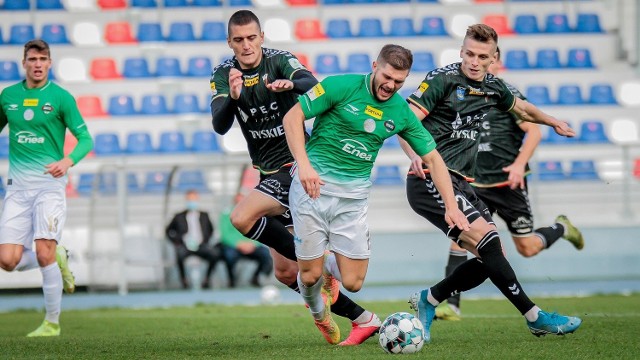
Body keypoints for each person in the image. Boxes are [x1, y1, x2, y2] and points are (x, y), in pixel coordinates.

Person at [400, 24, 583, 342]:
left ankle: (429, 299)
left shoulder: (493, 87)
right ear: (461, 52)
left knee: (494, 257)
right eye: (469, 53)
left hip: (463, 182)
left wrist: (552, 121)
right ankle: (535, 317)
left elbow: (523, 109)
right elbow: (405, 121)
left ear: (492, 58)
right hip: (429, 179)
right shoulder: (442, 79)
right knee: (488, 246)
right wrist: (414, 155)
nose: (474, 61)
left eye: (481, 56)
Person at [210, 9, 381, 345]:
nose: (246, 45)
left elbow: (314, 85)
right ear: (230, 42)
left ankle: (327, 264)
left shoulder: (280, 61)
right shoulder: (223, 74)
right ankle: (364, 319)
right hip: (267, 173)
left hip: (295, 165)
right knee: (286, 272)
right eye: (239, 40)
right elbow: (219, 124)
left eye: (252, 38)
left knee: (241, 217)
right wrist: (232, 98)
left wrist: (291, 83)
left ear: (261, 37)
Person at [283, 44, 469, 345]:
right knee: (307, 276)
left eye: (399, 81)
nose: (390, 85)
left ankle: (328, 267)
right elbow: (292, 118)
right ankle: (320, 315)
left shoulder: (400, 111)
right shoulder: (338, 86)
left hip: (353, 198)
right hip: (312, 190)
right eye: (387, 77)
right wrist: (304, 166)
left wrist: (451, 206)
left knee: (354, 283)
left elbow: (434, 159)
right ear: (374, 66)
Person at [435, 47, 585, 321]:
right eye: (474, 58)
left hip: (507, 185)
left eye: (486, 58)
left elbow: (534, 131)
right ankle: (450, 305)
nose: (479, 64)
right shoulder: (460, 92)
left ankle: (561, 227)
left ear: (495, 61)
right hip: (475, 184)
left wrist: (518, 164)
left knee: (526, 248)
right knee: (460, 238)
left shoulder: (504, 92)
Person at [0, 39, 94, 337]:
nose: (37, 64)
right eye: (32, 59)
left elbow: (87, 140)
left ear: (50, 63)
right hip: (16, 190)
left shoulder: (61, 98)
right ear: (24, 63)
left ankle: (52, 323)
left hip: (49, 187)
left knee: (43, 253)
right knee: (7, 261)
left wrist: (68, 161)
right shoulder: (8, 96)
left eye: (43, 59)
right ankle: (58, 254)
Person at [165, 189, 221, 289]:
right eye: (190, 199)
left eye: (194, 199)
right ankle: (184, 280)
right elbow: (168, 231)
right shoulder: (179, 216)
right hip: (185, 246)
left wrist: (205, 240)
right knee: (179, 255)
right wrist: (177, 241)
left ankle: (206, 279)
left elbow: (211, 229)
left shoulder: (204, 215)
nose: (192, 202)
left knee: (215, 254)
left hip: (201, 245)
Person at [219, 186, 273, 288]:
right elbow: (225, 234)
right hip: (234, 246)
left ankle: (256, 278)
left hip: (251, 245)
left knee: (265, 255)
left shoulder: (254, 213)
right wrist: (238, 244)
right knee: (229, 256)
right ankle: (232, 280)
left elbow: (260, 230)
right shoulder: (226, 214)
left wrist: (253, 243)